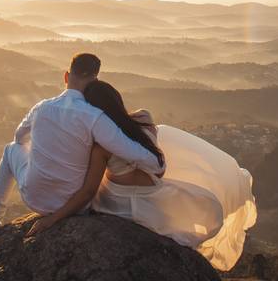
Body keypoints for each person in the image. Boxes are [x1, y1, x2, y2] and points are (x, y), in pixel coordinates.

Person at [27, 80, 257, 271]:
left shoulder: (101, 147)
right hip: (156, 193)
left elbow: (88, 191)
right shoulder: (144, 118)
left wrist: (53, 218)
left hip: (123, 203)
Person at [0, 53, 166, 235]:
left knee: (11, 149)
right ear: (95, 80)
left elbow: (19, 138)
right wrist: (156, 162)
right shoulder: (96, 118)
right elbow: (138, 154)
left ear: (66, 76)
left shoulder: (41, 107)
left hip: (34, 199)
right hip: (76, 204)